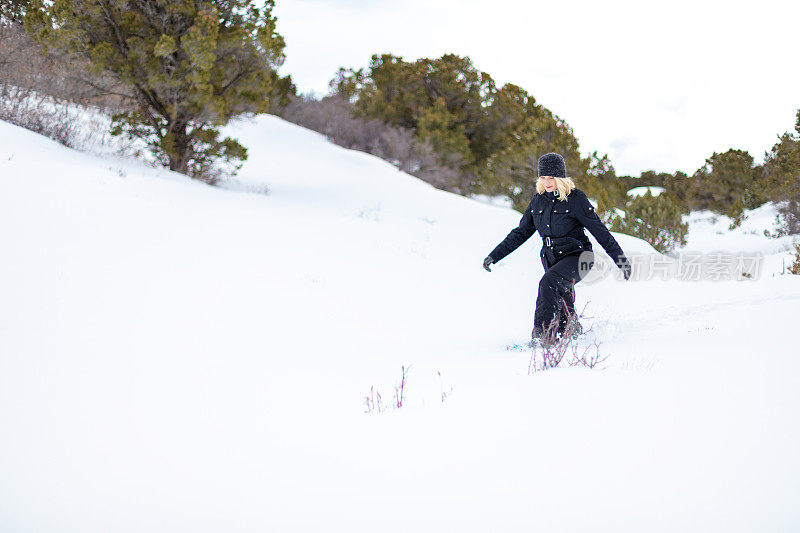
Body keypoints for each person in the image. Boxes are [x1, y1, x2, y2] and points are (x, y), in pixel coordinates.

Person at [483, 152, 631, 341]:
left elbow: (600, 231)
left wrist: (621, 261)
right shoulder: (538, 201)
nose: (547, 182)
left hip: (579, 258)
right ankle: (572, 329)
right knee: (561, 298)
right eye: (543, 177)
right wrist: (495, 255)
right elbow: (520, 233)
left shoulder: (575, 199)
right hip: (552, 258)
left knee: (549, 283)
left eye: (551, 177)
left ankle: (542, 338)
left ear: (560, 177)